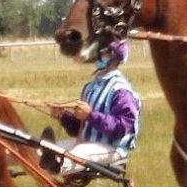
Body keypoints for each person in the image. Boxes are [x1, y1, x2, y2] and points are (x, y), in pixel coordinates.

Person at [48, 39, 141, 172]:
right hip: (86, 144)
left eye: (101, 52)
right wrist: (62, 116)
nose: (97, 56)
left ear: (114, 57)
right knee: (45, 151)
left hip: (112, 147)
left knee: (65, 158)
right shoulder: (90, 87)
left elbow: (121, 128)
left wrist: (90, 115)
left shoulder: (121, 91)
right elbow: (78, 128)